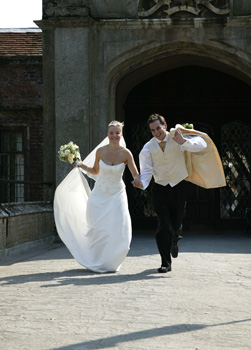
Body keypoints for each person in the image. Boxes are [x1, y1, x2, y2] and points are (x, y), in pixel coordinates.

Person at [54, 121, 141, 273]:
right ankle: (99, 260)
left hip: (117, 194)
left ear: (121, 135)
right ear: (108, 135)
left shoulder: (126, 153)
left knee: (119, 227)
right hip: (100, 195)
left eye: (117, 133)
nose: (114, 135)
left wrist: (138, 180)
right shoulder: (100, 151)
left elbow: (135, 173)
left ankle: (112, 261)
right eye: (111, 133)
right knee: (99, 229)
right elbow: (95, 171)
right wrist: (79, 164)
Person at [132, 113, 208, 273]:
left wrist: (184, 141)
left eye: (158, 128)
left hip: (178, 186)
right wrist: (141, 183)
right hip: (159, 189)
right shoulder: (148, 147)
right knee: (163, 225)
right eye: (152, 130)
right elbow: (146, 171)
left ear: (165, 126)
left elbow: (202, 144)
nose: (156, 132)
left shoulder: (177, 136)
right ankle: (165, 262)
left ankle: (175, 237)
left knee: (175, 223)